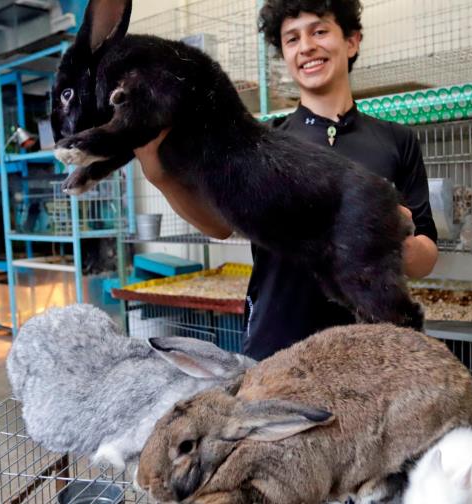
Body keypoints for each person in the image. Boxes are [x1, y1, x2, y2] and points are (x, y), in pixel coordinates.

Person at [133, 0, 437, 361]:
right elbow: (219, 226)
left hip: (371, 345)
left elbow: (426, 256)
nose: (306, 46)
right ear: (285, 55)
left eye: (319, 31)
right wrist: (158, 175)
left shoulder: (396, 141)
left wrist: (385, 233)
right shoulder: (260, 142)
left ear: (352, 41)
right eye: (292, 39)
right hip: (278, 343)